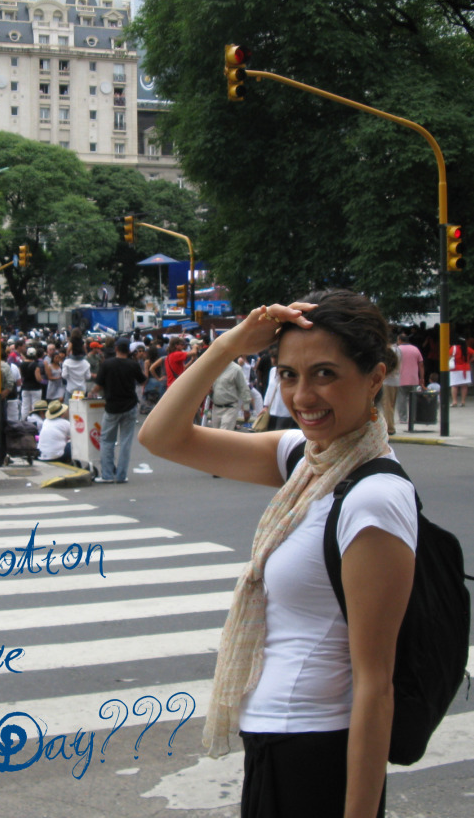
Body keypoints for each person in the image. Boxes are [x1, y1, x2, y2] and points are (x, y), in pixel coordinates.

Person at [139, 290, 416, 818]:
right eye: (288, 375)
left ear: (375, 378)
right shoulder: (305, 460)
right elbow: (163, 437)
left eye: (325, 374)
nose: (303, 395)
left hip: (317, 752)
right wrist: (229, 344)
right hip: (275, 742)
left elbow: (376, 684)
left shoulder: (373, 497)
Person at [90, 338, 145, 483]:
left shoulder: (107, 364)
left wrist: (91, 393)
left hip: (112, 406)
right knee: (125, 442)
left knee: (107, 440)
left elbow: (99, 385)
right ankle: (121, 475)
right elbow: (142, 380)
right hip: (130, 405)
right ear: (128, 350)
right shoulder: (133, 365)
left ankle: (107, 475)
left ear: (116, 348)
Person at [210, 358, 252, 431]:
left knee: (223, 435)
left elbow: (244, 389)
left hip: (230, 408)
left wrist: (246, 409)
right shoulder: (214, 368)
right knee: (215, 436)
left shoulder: (236, 369)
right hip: (216, 408)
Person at [395, 333, 425, 423]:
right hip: (414, 379)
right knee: (414, 399)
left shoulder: (397, 350)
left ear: (400, 340)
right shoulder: (415, 349)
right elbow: (421, 364)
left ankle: (403, 418)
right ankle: (414, 417)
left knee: (401, 400)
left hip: (400, 379)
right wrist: (422, 377)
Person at [449, 336, 472, 407]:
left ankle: (454, 401)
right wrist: (469, 361)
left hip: (455, 368)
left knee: (454, 385)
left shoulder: (454, 348)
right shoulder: (467, 348)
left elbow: (449, 356)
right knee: (464, 386)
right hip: (466, 369)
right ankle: (463, 401)